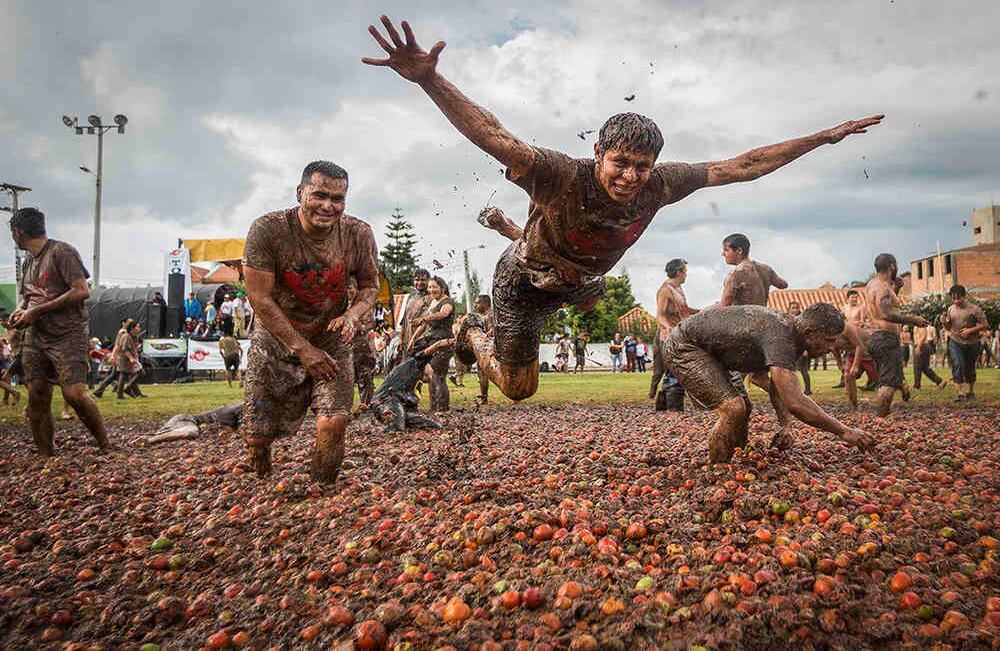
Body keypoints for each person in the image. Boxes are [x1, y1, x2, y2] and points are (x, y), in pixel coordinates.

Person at [364, 15, 884, 401]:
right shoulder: (560, 174)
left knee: (589, 296)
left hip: (580, 282)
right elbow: (493, 135)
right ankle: (476, 335)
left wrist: (823, 138)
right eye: (620, 163)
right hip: (523, 280)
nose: (630, 177)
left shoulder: (662, 184)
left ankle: (520, 317)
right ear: (598, 154)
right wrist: (430, 79)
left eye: (641, 165)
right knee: (520, 390)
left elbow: (742, 165)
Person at [241, 160, 379, 482]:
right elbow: (259, 298)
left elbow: (370, 286)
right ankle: (262, 476)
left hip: (331, 337)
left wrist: (352, 314)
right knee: (257, 436)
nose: (328, 206)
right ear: (300, 193)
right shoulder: (268, 230)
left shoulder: (358, 233)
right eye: (319, 195)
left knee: (334, 422)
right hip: (275, 339)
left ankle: (320, 490)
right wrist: (302, 349)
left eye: (338, 199)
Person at [663, 303, 874, 463]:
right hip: (685, 345)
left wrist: (786, 426)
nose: (832, 347)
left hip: (713, 353)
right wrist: (844, 431)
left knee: (745, 408)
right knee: (733, 408)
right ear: (809, 333)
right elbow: (795, 401)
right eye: (828, 340)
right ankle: (718, 470)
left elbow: (778, 386)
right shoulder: (782, 336)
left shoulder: (793, 336)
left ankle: (736, 457)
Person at [7, 207, 110, 455]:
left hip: (67, 333)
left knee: (74, 394)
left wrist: (37, 311)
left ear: (18, 232)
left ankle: (105, 444)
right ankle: (46, 454)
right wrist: (20, 311)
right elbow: (30, 298)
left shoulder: (61, 252)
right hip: (36, 336)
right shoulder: (29, 262)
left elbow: (81, 290)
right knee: (37, 394)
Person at [864, 253, 929, 417]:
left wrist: (896, 289)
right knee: (888, 383)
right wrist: (912, 319)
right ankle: (880, 419)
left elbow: (883, 307)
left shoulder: (872, 284)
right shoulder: (883, 288)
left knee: (889, 377)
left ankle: (886, 411)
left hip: (875, 337)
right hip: (885, 337)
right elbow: (885, 313)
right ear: (892, 266)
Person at [653, 257, 699, 410]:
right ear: (679, 272)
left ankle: (663, 406)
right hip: (670, 336)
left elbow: (684, 310)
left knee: (673, 372)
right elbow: (660, 315)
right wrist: (668, 328)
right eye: (685, 271)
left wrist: (702, 311)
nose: (686, 275)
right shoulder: (665, 290)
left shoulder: (678, 289)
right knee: (677, 370)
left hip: (680, 333)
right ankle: (674, 407)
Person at [408, 276, 454, 412]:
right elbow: (424, 325)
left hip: (444, 341)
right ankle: (434, 407)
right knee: (430, 375)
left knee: (438, 375)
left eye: (434, 287)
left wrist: (424, 318)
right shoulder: (433, 302)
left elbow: (443, 314)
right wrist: (413, 339)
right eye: (430, 287)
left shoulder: (447, 301)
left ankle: (442, 408)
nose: (431, 290)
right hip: (430, 340)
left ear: (442, 287)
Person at [941, 284, 988, 402]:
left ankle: (971, 391)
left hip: (972, 343)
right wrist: (943, 322)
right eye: (953, 298)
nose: (956, 301)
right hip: (955, 341)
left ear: (964, 296)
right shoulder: (950, 309)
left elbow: (985, 324)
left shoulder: (974, 309)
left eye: (958, 298)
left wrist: (970, 331)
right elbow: (948, 327)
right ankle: (959, 393)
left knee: (970, 367)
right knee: (958, 363)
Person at [348, 279, 377, 407]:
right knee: (345, 382)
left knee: (365, 379)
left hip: (362, 349)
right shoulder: (338, 306)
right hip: (344, 349)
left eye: (350, 288)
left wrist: (358, 325)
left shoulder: (363, 306)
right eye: (345, 288)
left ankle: (367, 406)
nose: (348, 292)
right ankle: (343, 411)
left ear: (356, 290)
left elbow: (370, 325)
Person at [398, 269, 431, 362]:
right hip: (407, 336)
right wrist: (401, 338)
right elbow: (404, 319)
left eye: (423, 280)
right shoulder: (411, 296)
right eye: (417, 280)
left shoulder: (431, 297)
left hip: (424, 336)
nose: (419, 282)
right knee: (407, 364)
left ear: (429, 280)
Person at [786, 301, 812, 395]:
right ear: (789, 309)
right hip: (790, 348)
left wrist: (805, 349)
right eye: (793, 308)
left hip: (801, 348)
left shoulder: (803, 321)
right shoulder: (786, 319)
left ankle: (808, 389)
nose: (795, 310)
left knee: (803, 370)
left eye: (796, 308)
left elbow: (806, 336)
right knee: (790, 370)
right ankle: (792, 389)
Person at [912, 322, 947, 391]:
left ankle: (917, 386)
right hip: (921, 346)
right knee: (925, 368)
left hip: (922, 346)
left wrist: (918, 347)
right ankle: (940, 381)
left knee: (917, 367)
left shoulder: (920, 324)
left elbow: (923, 336)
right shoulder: (916, 325)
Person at [472, 294, 493, 404]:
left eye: (477, 303)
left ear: (485, 303)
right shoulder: (484, 315)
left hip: (489, 350)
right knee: (481, 373)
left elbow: (492, 332)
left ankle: (484, 398)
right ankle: (484, 398)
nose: (475, 305)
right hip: (484, 349)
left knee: (482, 373)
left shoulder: (490, 315)